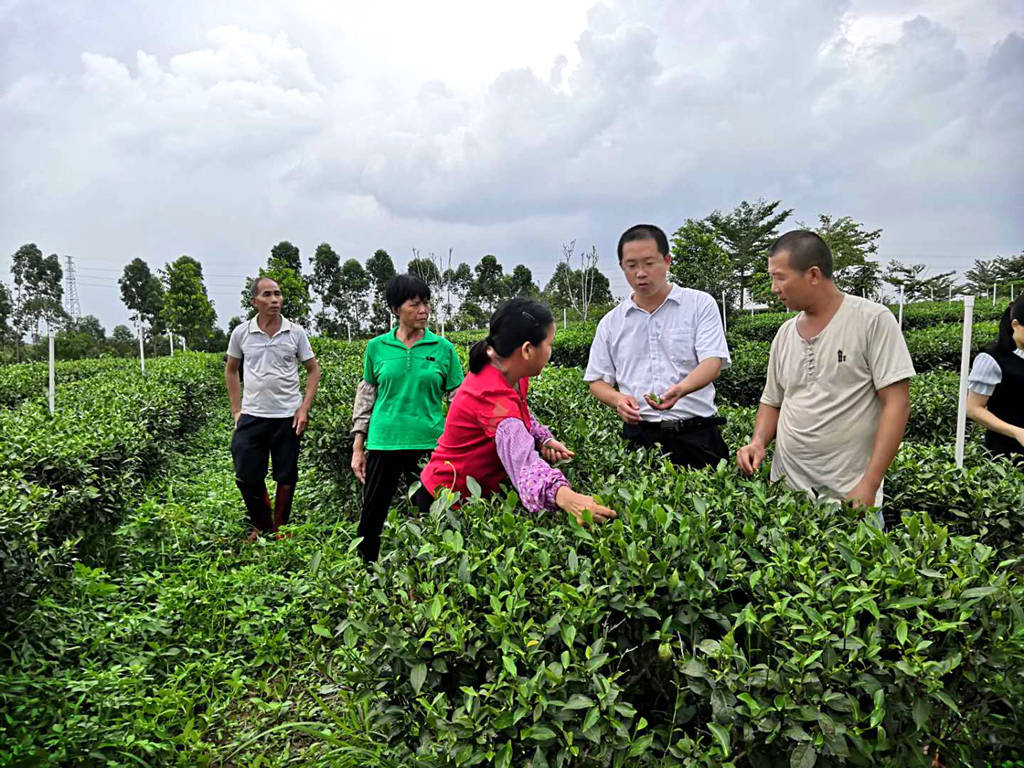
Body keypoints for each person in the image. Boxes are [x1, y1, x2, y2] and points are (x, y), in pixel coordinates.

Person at [736, 230, 915, 522]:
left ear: (814, 275)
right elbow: (772, 401)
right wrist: (758, 442)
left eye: (779, 277)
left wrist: (869, 485)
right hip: (786, 498)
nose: (773, 287)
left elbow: (897, 404)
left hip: (850, 497)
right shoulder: (784, 335)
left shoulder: (872, 320)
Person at [419, 298, 617, 525]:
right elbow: (524, 465)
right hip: (448, 501)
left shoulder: (512, 374)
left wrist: (543, 438)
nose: (550, 351)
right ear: (527, 350)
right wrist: (566, 497)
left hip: (478, 495)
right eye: (549, 344)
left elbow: (521, 415)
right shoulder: (490, 395)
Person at [584, 224, 732, 469]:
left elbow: (713, 362)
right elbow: (597, 381)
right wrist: (618, 400)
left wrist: (681, 389)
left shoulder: (699, 305)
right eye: (631, 266)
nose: (640, 273)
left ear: (667, 261)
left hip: (697, 434)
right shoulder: (611, 322)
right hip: (639, 438)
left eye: (649, 263)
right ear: (622, 267)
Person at [351, 274, 464, 562]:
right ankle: (366, 570)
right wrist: (358, 446)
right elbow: (366, 396)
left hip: (429, 443)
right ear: (394, 309)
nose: (424, 310)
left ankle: (432, 570)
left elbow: (459, 399)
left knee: (432, 511)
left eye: (426, 303)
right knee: (372, 513)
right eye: (415, 304)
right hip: (384, 441)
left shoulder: (443, 349)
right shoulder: (377, 348)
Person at [226, 277, 320, 540]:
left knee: (286, 473)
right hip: (253, 415)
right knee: (246, 472)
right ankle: (261, 523)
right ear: (254, 301)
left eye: (278, 294)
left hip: (287, 416)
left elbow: (313, 371)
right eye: (267, 295)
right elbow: (231, 370)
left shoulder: (295, 332)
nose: (275, 299)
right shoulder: (241, 333)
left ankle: (280, 527)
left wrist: (304, 408)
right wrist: (237, 410)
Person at [967, 296, 1024, 463]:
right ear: (1015, 325)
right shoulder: (992, 360)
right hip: (1007, 455)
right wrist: (1016, 432)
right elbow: (973, 408)